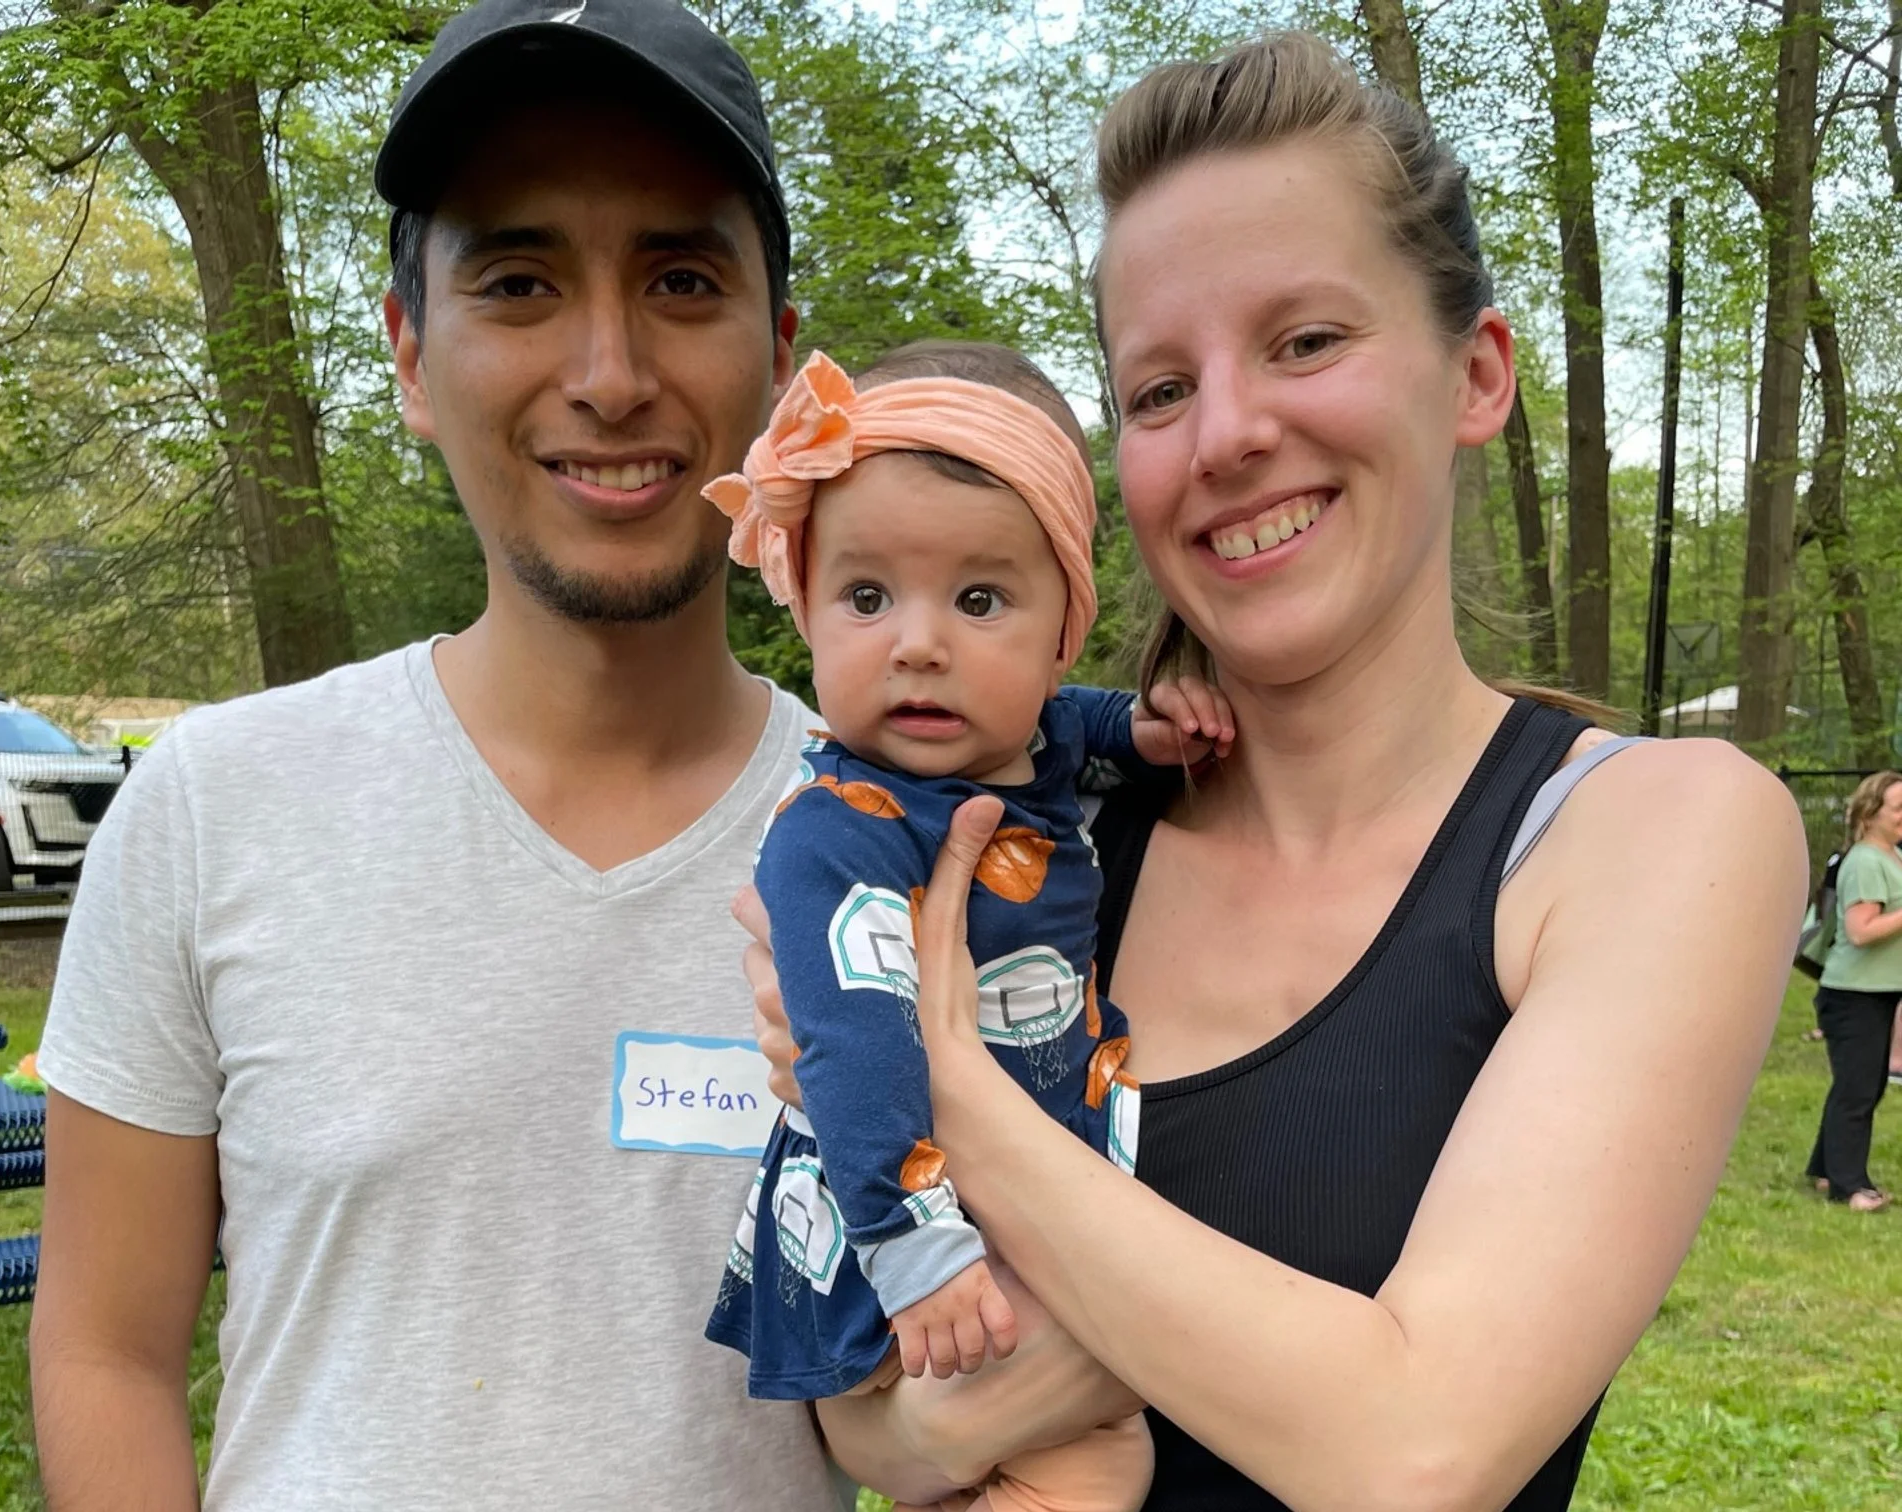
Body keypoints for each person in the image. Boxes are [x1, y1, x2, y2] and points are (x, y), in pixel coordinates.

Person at [737, 33, 1805, 1510]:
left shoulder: (1646, 832)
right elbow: (861, 1431)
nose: (1230, 435)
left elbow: (1418, 1454)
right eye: (1161, 389)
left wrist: (947, 1089)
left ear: (1476, 374)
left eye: (1306, 342)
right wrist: (937, 1419)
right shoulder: (1049, 826)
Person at [27, 1, 853, 1506]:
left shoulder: (903, 846)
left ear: (786, 371)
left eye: (681, 280)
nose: (610, 373)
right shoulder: (212, 809)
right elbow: (105, 1351)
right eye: (520, 282)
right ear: (410, 355)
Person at [702, 342, 1230, 1511]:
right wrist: (914, 1246)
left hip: (1016, 1197)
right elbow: (850, 1044)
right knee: (1099, 1448)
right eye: (867, 597)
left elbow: (1075, 724)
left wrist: (1145, 733)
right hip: (910, 1222)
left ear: (1062, 629)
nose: (919, 644)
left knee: (1080, 1453)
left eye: (979, 600)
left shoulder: (1032, 743)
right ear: (806, 608)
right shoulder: (841, 829)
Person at [1806, 770, 1902, 1211]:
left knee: (1861, 1085)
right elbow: (1861, 931)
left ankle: (1826, 1169)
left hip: (1877, 991)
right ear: (1870, 813)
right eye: (1897, 808)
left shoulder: (1892, 856)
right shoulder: (1864, 861)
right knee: (1858, 1091)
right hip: (1853, 995)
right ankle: (1850, 1186)